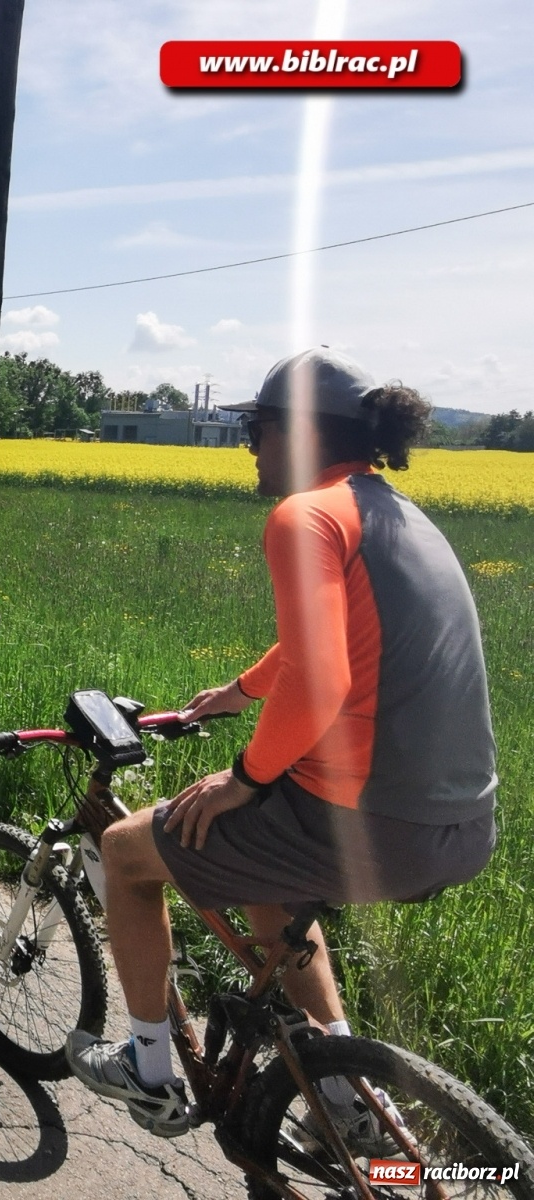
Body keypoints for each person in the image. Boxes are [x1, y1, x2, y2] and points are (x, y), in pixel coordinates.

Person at [66, 348, 498, 1140]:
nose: (249, 447)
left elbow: (323, 680)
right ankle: (349, 1097)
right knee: (265, 875)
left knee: (129, 853)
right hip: (461, 829)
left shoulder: (302, 515)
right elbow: (334, 642)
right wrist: (241, 692)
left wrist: (247, 775)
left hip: (373, 824)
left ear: (297, 432)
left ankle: (147, 1069)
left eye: (258, 428)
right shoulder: (397, 514)